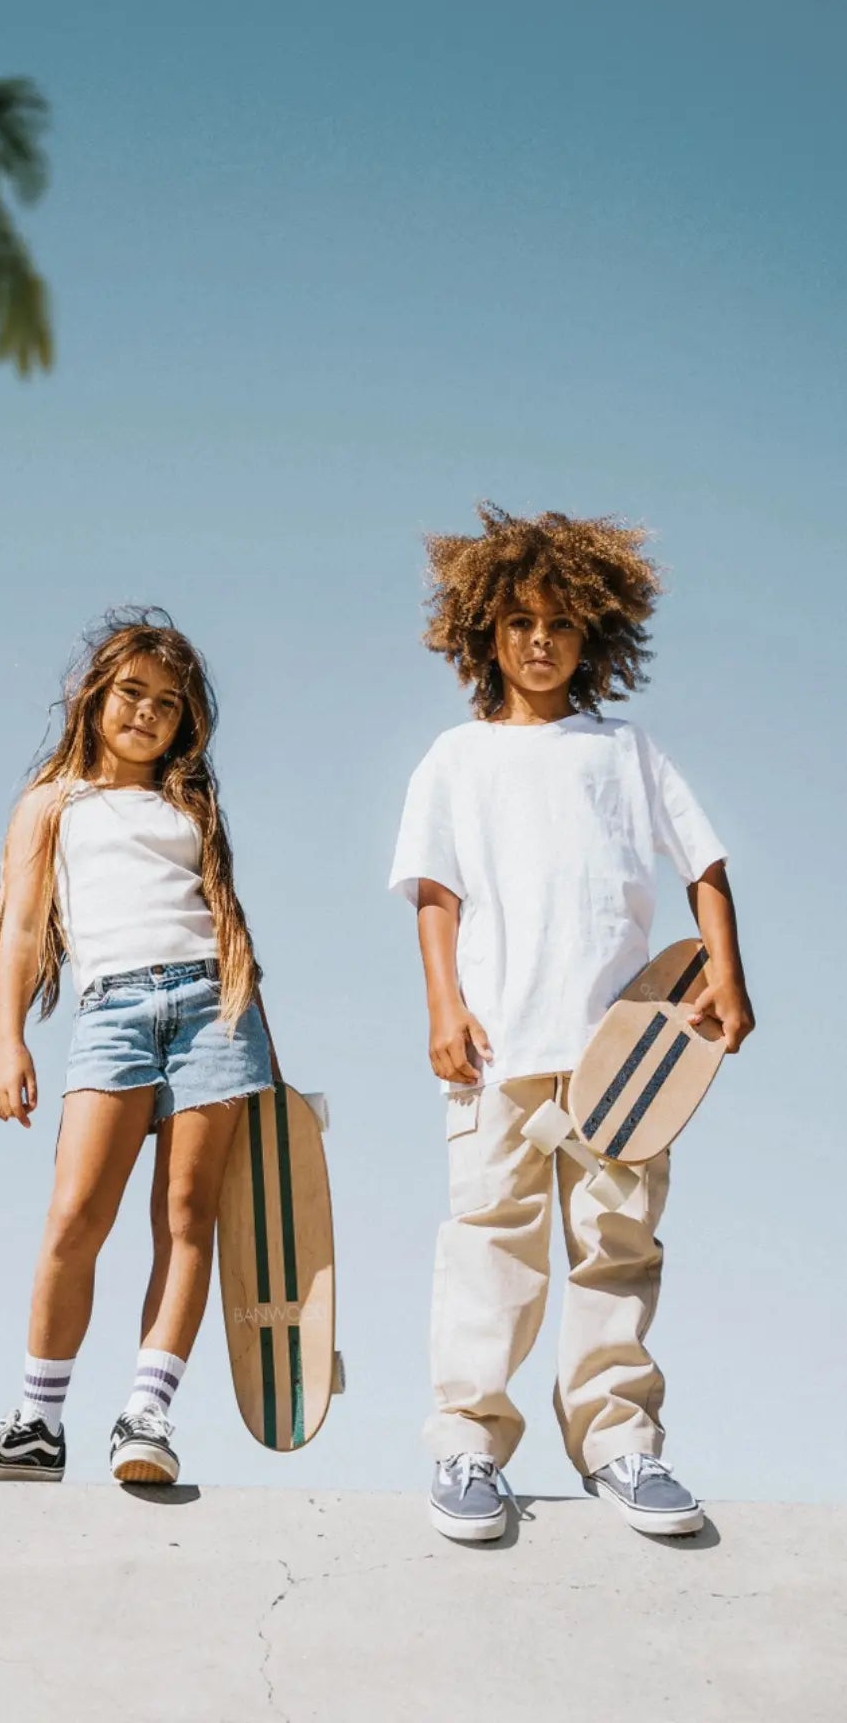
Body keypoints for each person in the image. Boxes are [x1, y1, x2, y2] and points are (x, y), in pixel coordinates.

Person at [390, 505, 754, 1542]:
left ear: (594, 631)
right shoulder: (455, 757)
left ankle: (620, 1443)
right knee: (488, 1242)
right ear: (482, 633)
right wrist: (442, 1005)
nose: (540, 639)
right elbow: (434, 893)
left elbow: (704, 865)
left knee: (615, 1245)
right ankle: (467, 1444)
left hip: (628, 1053)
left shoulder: (626, 750)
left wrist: (727, 971)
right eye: (518, 622)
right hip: (497, 1047)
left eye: (560, 622)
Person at [0, 609, 273, 1487]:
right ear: (94, 697)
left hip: (213, 1007)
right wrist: (8, 1042)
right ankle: (37, 1426)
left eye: (167, 702)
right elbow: (18, 929)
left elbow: (224, 925)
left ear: (184, 719)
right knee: (75, 1218)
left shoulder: (189, 805)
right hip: (113, 1013)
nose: (146, 713)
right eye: (131, 692)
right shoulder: (52, 804)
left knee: (187, 1218)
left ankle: (145, 1418)